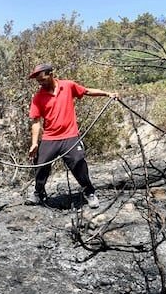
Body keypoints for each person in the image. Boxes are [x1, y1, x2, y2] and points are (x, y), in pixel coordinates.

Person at [25, 63, 118, 208]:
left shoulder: (68, 86)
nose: (40, 83)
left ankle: (89, 192)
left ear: (50, 74)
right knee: (41, 164)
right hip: (50, 137)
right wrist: (34, 143)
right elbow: (36, 122)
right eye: (38, 81)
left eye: (42, 79)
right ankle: (39, 193)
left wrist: (107, 94)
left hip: (70, 135)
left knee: (78, 162)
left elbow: (86, 91)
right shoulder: (38, 97)